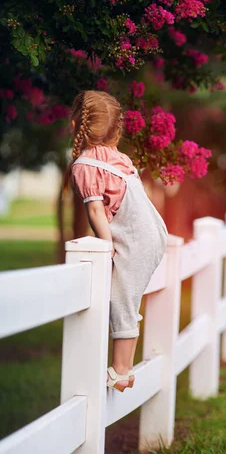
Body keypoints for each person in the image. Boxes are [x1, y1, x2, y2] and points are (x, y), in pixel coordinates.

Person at [64, 90, 168, 392]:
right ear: (116, 130)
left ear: (75, 125)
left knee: (121, 300)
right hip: (151, 231)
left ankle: (122, 370)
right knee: (127, 296)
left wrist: (105, 247)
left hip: (136, 238)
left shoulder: (86, 164)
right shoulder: (117, 158)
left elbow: (96, 210)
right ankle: (124, 367)